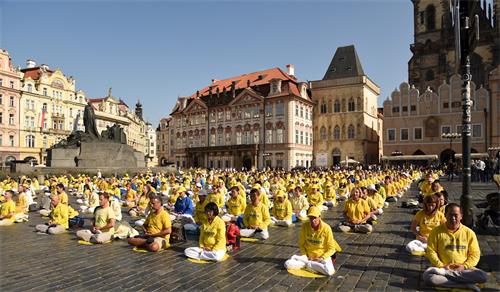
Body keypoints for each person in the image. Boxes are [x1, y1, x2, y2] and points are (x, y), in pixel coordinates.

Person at [423, 203, 488, 291]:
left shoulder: (469, 233)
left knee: (483, 276)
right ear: (445, 215)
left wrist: (464, 266)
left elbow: (475, 254)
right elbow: (431, 251)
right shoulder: (436, 231)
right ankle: (465, 285)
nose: (453, 218)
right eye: (450, 215)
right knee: (429, 277)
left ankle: (449, 278)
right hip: (442, 268)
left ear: (461, 216)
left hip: (463, 270)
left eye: (456, 215)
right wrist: (441, 265)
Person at [284, 206, 342, 276]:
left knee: (329, 271)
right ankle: (310, 264)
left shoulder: (326, 228)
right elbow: (301, 244)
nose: (312, 220)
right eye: (311, 218)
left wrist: (321, 258)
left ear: (319, 217)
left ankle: (308, 265)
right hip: (308, 257)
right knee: (287, 264)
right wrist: (305, 255)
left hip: (321, 258)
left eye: (315, 217)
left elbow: (332, 248)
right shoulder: (304, 226)